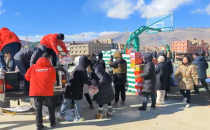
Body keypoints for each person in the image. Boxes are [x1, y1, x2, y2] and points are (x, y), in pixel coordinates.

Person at [57, 56, 94, 122]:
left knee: (66, 102)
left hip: (70, 87)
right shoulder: (83, 69)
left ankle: (60, 115)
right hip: (77, 88)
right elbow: (85, 80)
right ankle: (79, 117)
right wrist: (91, 82)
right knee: (78, 103)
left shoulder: (77, 67)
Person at [25, 53, 56, 130]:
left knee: (38, 109)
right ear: (48, 59)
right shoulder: (51, 68)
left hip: (36, 92)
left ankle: (39, 125)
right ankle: (52, 122)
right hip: (47, 92)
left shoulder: (33, 67)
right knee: (51, 107)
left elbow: (27, 77)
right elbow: (53, 80)